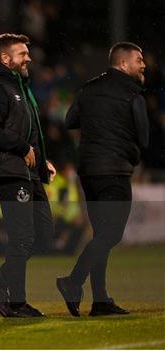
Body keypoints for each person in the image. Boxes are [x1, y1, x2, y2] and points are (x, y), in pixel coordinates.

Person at [57, 42, 148, 317]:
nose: (144, 64)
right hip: (115, 170)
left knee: (100, 235)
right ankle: (72, 281)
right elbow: (143, 139)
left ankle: (100, 301)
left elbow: (70, 120)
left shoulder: (88, 89)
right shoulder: (133, 93)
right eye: (139, 59)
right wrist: (129, 150)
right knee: (112, 234)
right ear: (122, 64)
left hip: (88, 172)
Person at [0, 33, 57, 318]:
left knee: (44, 233)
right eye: (22, 54)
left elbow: (28, 132)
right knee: (22, 236)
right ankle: (16, 301)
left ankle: (0, 284)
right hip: (7, 170)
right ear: (5, 58)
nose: (29, 58)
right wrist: (22, 147)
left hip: (27, 171)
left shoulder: (19, 87)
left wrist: (42, 161)